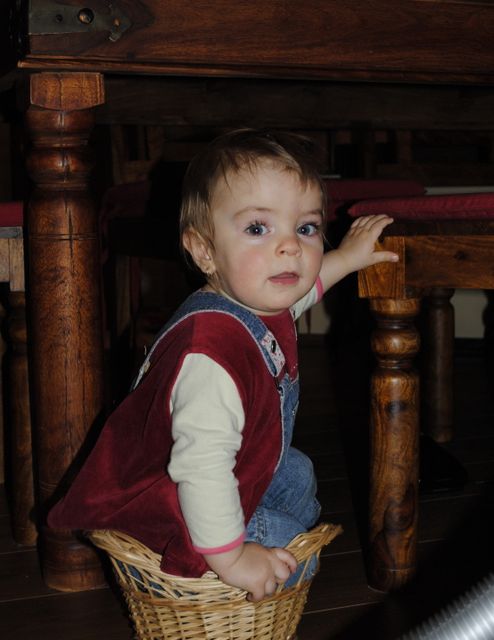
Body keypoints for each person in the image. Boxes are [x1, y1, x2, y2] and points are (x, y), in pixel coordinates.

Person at [48, 129, 398, 602]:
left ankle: (259, 548)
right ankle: (229, 577)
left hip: (210, 484)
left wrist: (348, 258)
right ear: (204, 251)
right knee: (295, 552)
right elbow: (202, 469)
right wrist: (234, 558)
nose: (290, 247)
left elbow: (303, 294)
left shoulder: (252, 304)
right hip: (166, 515)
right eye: (258, 228)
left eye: (306, 228)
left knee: (296, 471)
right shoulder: (209, 357)